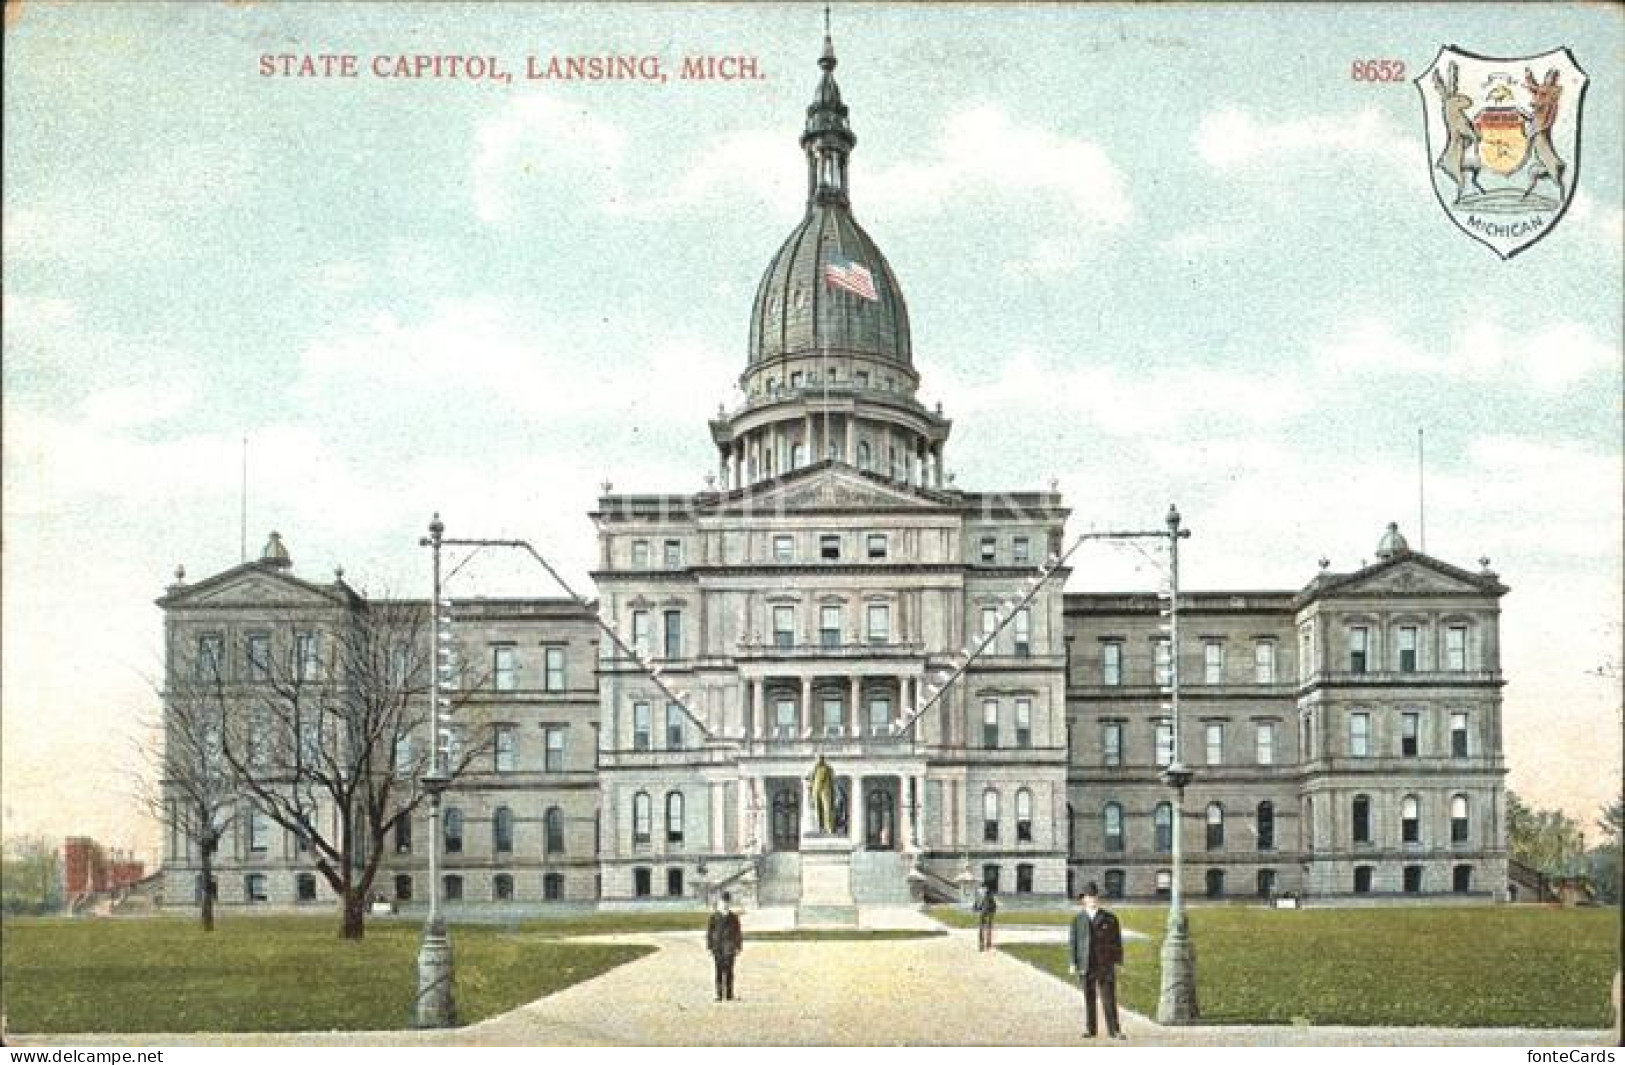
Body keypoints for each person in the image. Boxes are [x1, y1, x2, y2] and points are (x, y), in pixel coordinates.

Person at [1068, 882, 1125, 1039]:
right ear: (1083, 900)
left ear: (1099, 899)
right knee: (1089, 997)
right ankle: (1090, 1029)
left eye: (1094, 897)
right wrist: (1073, 962)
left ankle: (1114, 1030)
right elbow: (1073, 943)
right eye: (1089, 897)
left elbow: (1116, 942)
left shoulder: (1110, 919)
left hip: (1104, 964)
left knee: (1108, 997)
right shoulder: (1078, 920)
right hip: (1085, 963)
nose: (1092, 900)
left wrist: (1118, 961)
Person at [706, 890, 744, 1001]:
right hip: (717, 947)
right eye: (723, 901)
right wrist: (709, 946)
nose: (725, 904)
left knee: (729, 971)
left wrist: (738, 946)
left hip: (729, 947)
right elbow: (709, 932)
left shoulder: (733, 917)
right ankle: (719, 994)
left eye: (727, 902)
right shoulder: (714, 917)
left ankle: (729, 994)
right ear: (719, 903)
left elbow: (738, 932)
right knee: (718, 970)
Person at [972, 883, 998, 951]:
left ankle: (988, 943)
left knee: (988, 927)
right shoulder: (979, 894)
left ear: (985, 888)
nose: (981, 890)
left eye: (983, 888)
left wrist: (988, 911)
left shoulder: (989, 894)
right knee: (981, 928)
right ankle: (981, 944)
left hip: (990, 911)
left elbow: (992, 904)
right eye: (981, 889)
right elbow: (977, 902)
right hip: (983, 912)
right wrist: (975, 908)